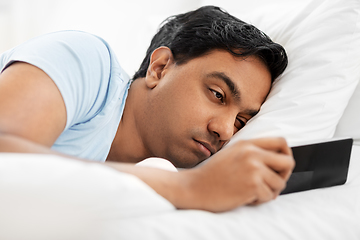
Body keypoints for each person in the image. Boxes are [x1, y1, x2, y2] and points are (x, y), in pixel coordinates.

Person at [0, 6, 294, 212]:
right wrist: (189, 188)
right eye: (217, 94)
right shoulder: (87, 61)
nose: (225, 130)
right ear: (160, 68)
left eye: (241, 122)